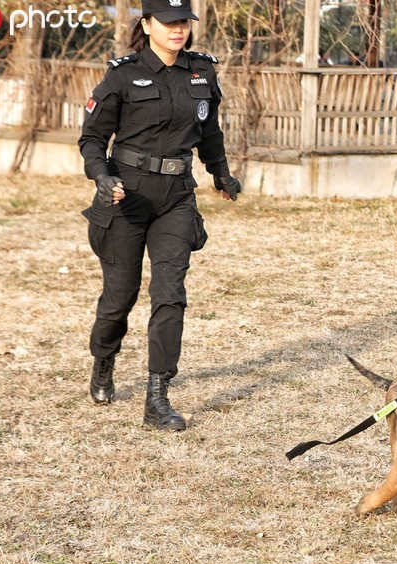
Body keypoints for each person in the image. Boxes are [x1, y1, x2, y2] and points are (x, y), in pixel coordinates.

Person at [79, 0, 241, 431]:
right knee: (120, 297)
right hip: (125, 196)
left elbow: (210, 132)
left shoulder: (201, 72)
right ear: (147, 25)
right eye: (168, 23)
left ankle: (157, 396)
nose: (178, 29)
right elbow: (92, 139)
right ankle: (104, 360)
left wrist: (221, 174)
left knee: (170, 294)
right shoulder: (123, 74)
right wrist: (101, 177)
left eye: (184, 22)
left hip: (176, 197)